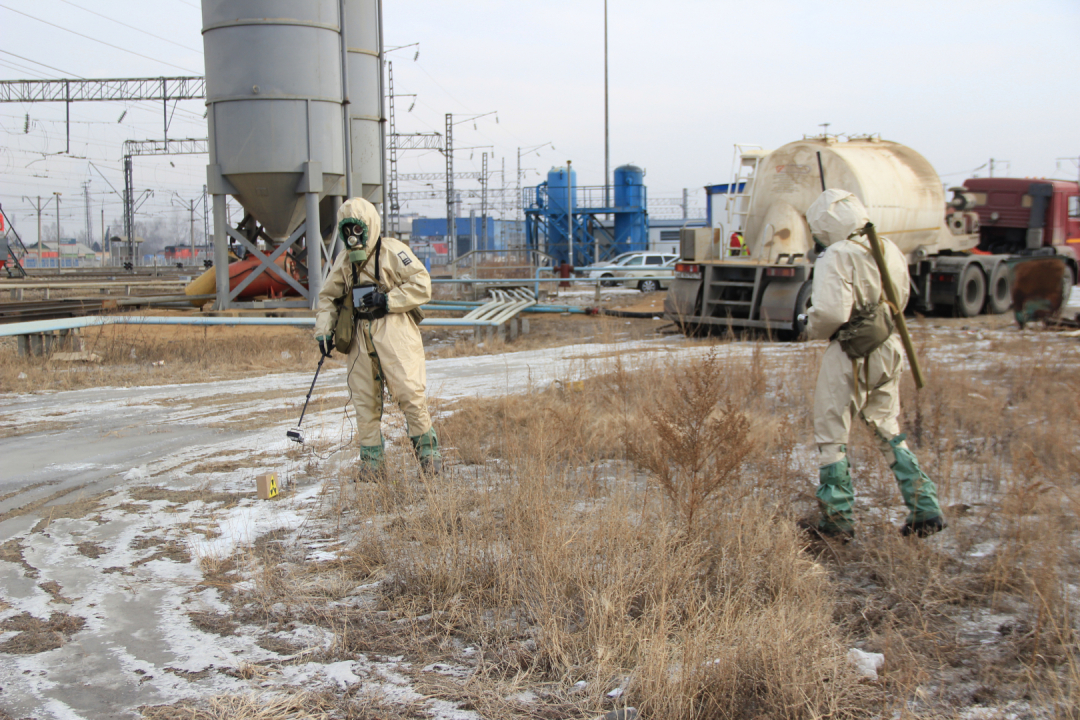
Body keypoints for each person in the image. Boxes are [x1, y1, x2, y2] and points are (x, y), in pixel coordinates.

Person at [803, 189, 945, 538]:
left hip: (852, 350)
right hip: (889, 345)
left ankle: (836, 521)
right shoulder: (887, 248)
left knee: (832, 430)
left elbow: (832, 312)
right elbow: (902, 298)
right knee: (886, 425)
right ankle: (924, 508)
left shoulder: (837, 254)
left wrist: (808, 325)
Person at [314, 197, 442, 477]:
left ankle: (429, 457)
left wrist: (387, 299)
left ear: (368, 226)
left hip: (394, 330)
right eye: (346, 231)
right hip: (360, 335)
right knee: (364, 400)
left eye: (357, 230)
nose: (352, 238)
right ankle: (372, 464)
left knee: (410, 393)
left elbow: (422, 284)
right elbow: (328, 297)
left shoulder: (393, 251)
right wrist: (324, 330)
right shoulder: (344, 261)